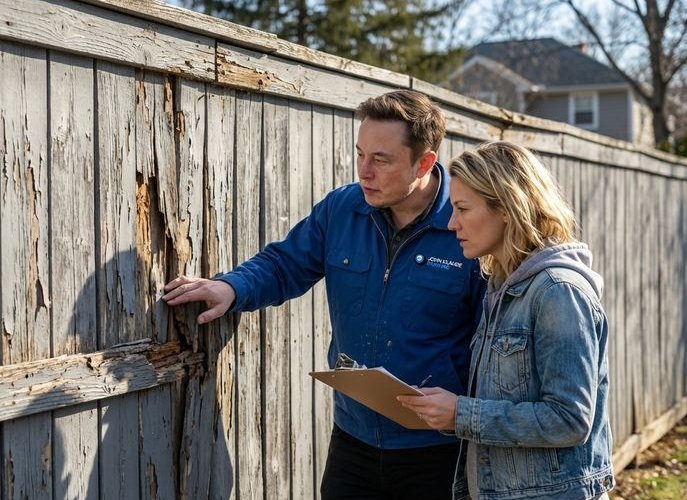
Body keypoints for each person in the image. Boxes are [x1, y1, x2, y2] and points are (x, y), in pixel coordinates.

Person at [164, 89, 485, 499]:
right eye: (360, 154)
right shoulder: (342, 209)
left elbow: (491, 340)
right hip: (353, 440)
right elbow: (285, 263)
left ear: (424, 163)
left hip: (437, 452)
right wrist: (232, 286)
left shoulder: (466, 227)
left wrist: (469, 411)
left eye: (381, 160)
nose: (363, 172)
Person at [398, 141, 615, 499]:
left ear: (508, 208)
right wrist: (447, 409)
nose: (452, 224)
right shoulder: (501, 288)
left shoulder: (558, 291)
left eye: (463, 209)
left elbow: (570, 419)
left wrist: (461, 414)